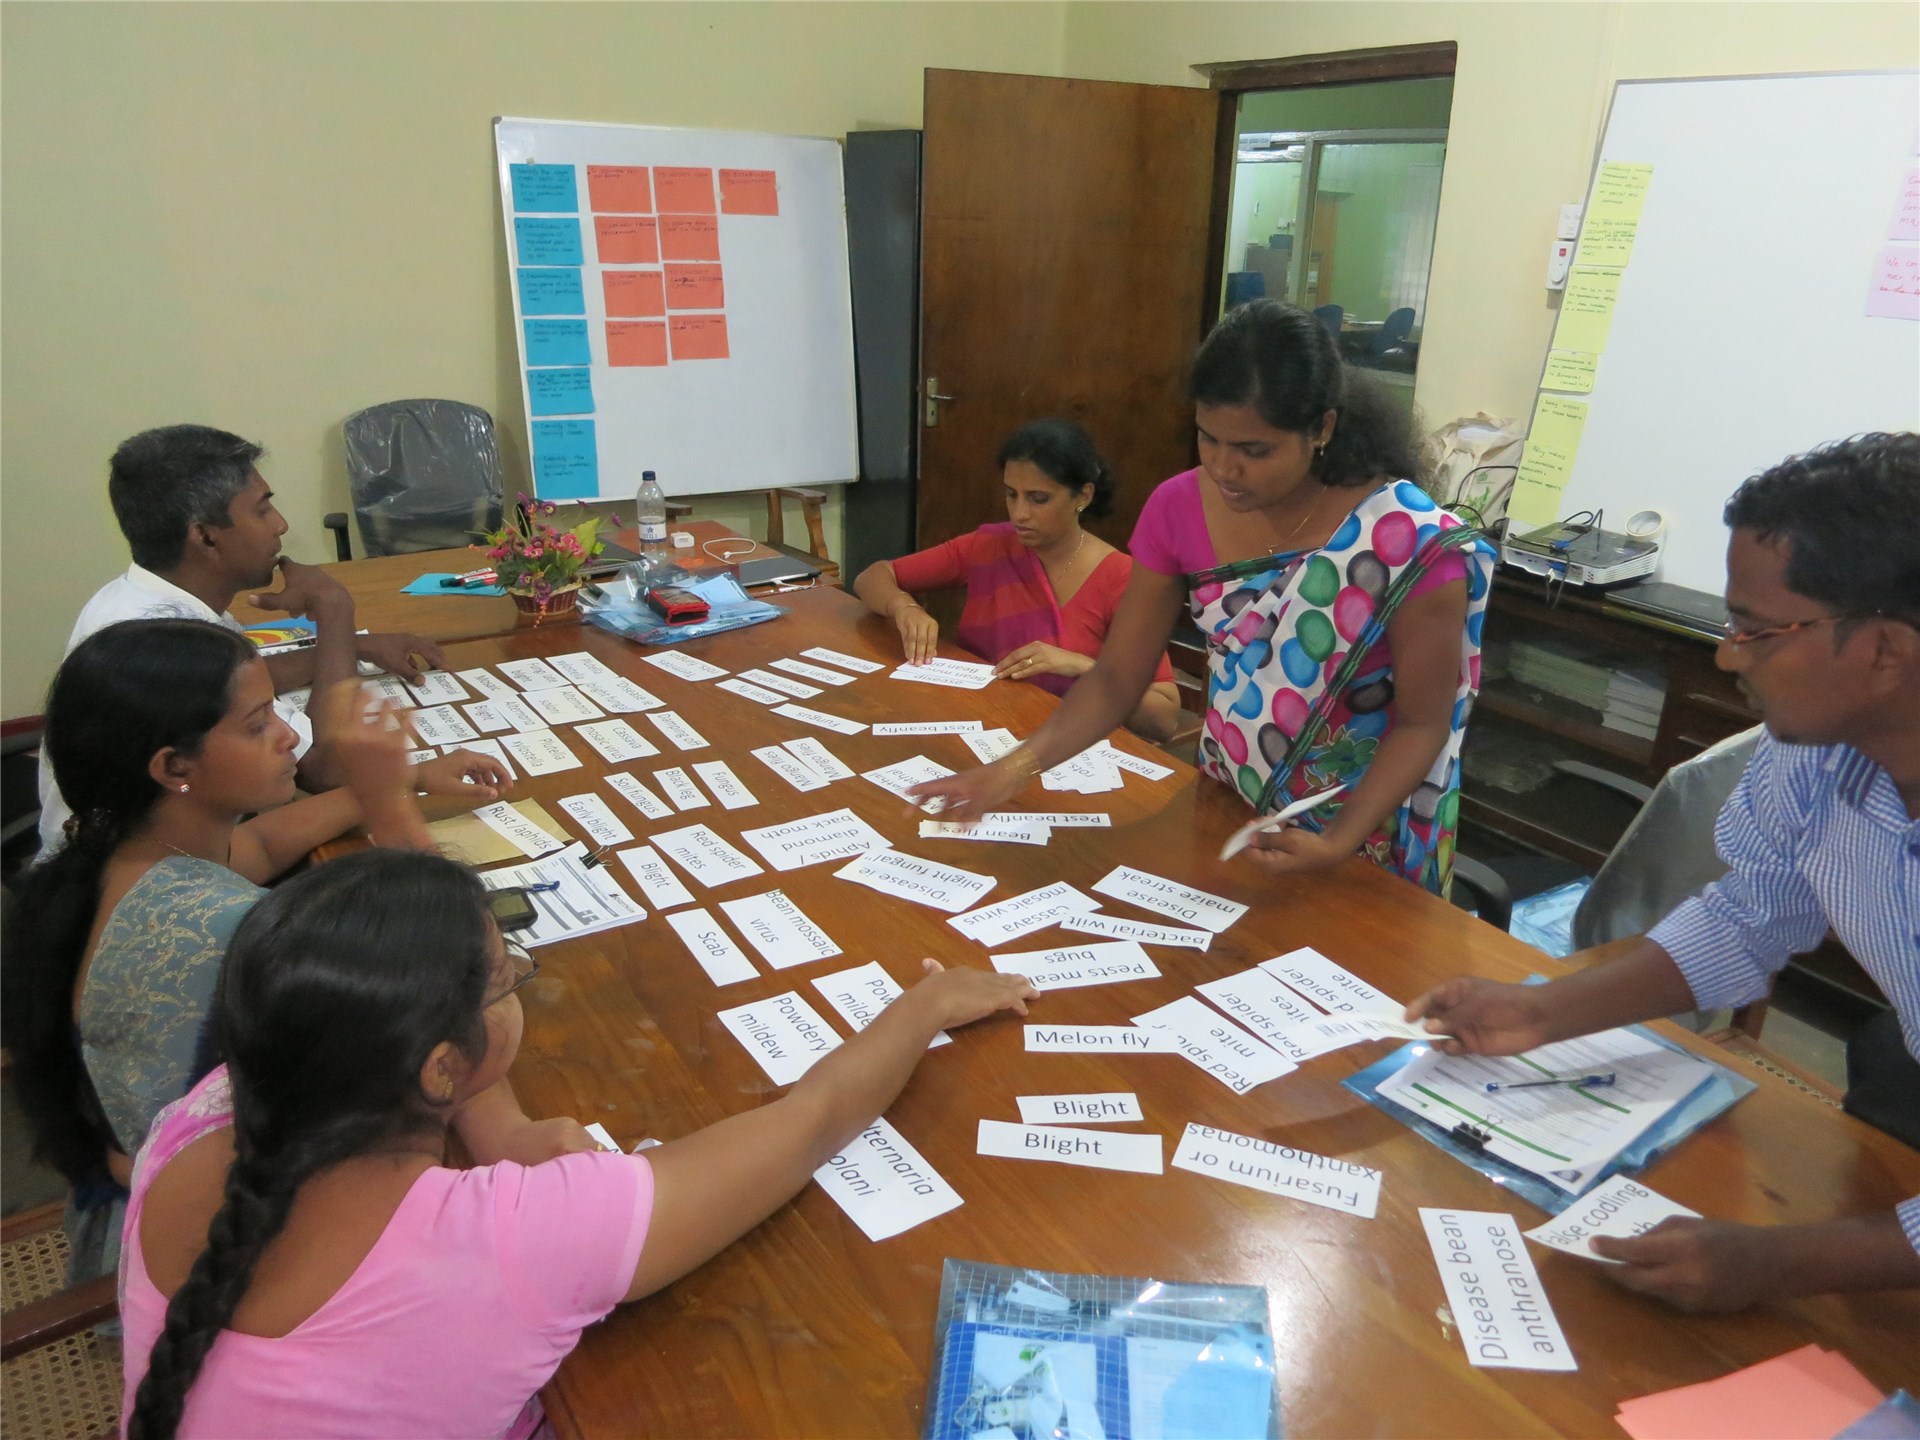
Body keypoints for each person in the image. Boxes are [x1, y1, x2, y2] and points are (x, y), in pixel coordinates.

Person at [118, 850, 1037, 1439]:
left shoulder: (201, 1115)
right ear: (440, 1067)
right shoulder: (512, 1238)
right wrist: (925, 1005)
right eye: (505, 979)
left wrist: (504, 1128)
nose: (520, 978)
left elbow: (428, 1052)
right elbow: (811, 1124)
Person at [1407, 432, 1920, 1312]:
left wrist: (1782, 1263)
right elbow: (1744, 921)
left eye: (1758, 631)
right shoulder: (1811, 757)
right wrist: (1541, 1010)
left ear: (1885, 651)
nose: (1729, 655)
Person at [911, 303, 1493, 895]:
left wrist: (1337, 842)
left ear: (1321, 428)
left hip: (1364, 833)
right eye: (1208, 438)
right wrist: (1007, 773)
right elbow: (1117, 677)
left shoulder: (1407, 541)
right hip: (1229, 804)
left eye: (1255, 450)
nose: (1223, 468)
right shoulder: (1178, 506)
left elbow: (1422, 725)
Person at [0, 619, 512, 1285]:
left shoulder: (124, 853)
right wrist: (389, 807)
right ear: (174, 767)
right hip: (218, 1252)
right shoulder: (226, 929)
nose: (288, 735)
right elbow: (464, 983)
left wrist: (395, 779)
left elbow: (262, 845)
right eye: (257, 724)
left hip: (152, 1185)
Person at [36, 424, 449, 850]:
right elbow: (326, 769)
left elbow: (231, 685)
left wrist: (355, 646)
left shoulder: (140, 601)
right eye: (262, 510)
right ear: (205, 536)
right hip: (144, 871)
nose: (281, 525)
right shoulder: (167, 640)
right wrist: (334, 609)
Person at [854, 419, 1181, 741]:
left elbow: (1164, 718)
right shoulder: (989, 546)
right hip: (977, 726)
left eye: (1038, 499)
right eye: (1012, 495)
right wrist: (904, 607)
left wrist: (1083, 667)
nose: (1019, 513)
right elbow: (874, 576)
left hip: (1067, 745)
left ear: (1083, 496)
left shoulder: (1122, 578)